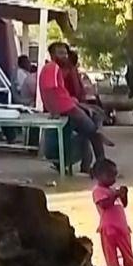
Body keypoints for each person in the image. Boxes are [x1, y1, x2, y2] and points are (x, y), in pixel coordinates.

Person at [37, 41, 105, 174]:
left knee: (91, 125)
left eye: (65, 53)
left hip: (68, 106)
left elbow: (60, 93)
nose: (64, 56)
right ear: (52, 55)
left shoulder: (54, 69)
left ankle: (88, 164)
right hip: (66, 109)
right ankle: (102, 168)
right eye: (60, 53)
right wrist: (55, 111)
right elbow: (50, 90)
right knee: (94, 133)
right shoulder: (52, 68)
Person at [91, 158, 133, 266]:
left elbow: (124, 204)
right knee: (110, 251)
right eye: (111, 176)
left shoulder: (112, 190)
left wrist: (123, 195)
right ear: (99, 176)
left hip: (121, 226)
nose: (114, 179)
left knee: (127, 249)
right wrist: (116, 194)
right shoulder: (98, 191)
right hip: (108, 227)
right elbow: (104, 205)